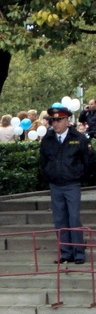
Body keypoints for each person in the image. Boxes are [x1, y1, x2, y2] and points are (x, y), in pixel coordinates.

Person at [40, 105, 95, 265]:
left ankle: (78, 252)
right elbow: (43, 161)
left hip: (72, 184)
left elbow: (88, 161)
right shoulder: (48, 139)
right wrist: (49, 174)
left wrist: (79, 175)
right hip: (55, 184)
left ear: (67, 121)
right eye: (53, 121)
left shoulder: (79, 138)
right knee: (59, 219)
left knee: (74, 217)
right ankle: (65, 252)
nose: (55, 123)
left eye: (59, 120)